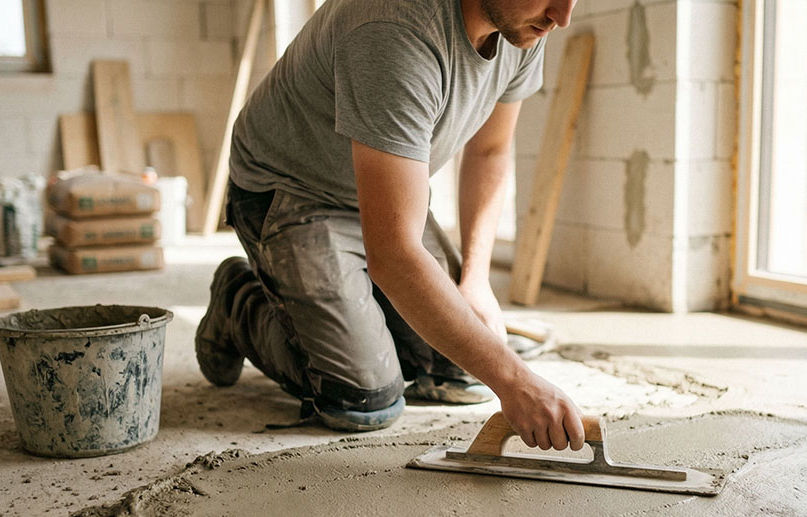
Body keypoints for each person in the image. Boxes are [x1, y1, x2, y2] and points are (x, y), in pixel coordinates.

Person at [195, 0, 585, 451]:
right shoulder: (393, 27)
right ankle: (236, 300)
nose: (563, 16)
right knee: (363, 399)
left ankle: (350, 314)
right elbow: (395, 255)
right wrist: (516, 381)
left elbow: (490, 151)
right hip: (292, 188)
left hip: (380, 186)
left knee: (460, 373)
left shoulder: (524, 23)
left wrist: (476, 281)